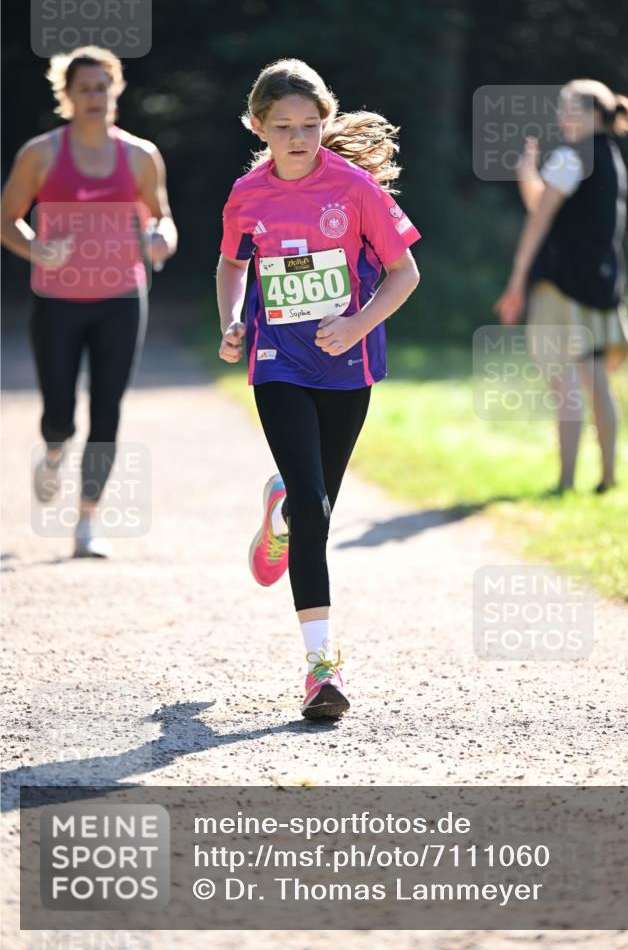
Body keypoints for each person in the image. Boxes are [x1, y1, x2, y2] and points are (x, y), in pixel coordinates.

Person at [216, 58, 421, 719]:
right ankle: (321, 670)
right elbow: (230, 262)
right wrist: (230, 320)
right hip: (277, 359)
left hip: (345, 364)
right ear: (258, 126)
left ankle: (279, 511)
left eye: (310, 125)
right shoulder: (247, 193)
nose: (299, 139)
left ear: (324, 123)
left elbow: (403, 273)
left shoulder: (355, 188)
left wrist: (357, 322)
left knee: (314, 507)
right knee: (315, 506)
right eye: (283, 127)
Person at [1, 45, 177, 556]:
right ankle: (54, 449)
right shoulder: (41, 154)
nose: (94, 97)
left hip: (122, 297)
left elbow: (162, 218)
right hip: (57, 299)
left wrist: (161, 240)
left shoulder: (140, 155)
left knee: (107, 410)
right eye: (84, 89)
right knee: (60, 411)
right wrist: (35, 247)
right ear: (67, 96)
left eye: (103, 87)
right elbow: (7, 217)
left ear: (115, 91)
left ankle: (85, 524)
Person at [494, 78, 628, 494]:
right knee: (595, 379)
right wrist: (529, 177)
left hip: (561, 285)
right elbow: (549, 206)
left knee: (564, 384)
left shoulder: (571, 156)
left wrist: (518, 279)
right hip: (601, 284)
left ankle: (565, 482)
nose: (561, 116)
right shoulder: (610, 155)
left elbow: (539, 217)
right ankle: (609, 477)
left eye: (569, 107)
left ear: (594, 113)